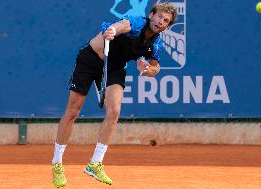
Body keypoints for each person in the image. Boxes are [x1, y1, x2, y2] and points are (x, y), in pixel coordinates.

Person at [51, 2, 177, 188]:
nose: (161, 21)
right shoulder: (136, 22)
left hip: (114, 67)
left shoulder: (155, 43)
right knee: (73, 111)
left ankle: (95, 163)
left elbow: (155, 67)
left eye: (165, 20)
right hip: (90, 60)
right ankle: (57, 163)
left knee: (114, 111)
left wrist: (149, 69)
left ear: (167, 26)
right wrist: (112, 30)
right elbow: (122, 25)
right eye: (159, 16)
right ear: (151, 15)